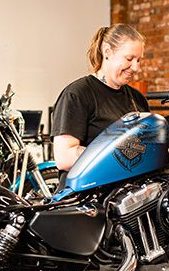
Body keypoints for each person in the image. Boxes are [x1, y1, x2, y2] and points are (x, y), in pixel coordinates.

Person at [51, 23, 149, 172]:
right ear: (107, 52)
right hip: (90, 186)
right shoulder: (77, 94)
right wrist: (114, 153)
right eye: (129, 58)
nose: (136, 67)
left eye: (139, 60)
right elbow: (64, 158)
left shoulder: (137, 98)